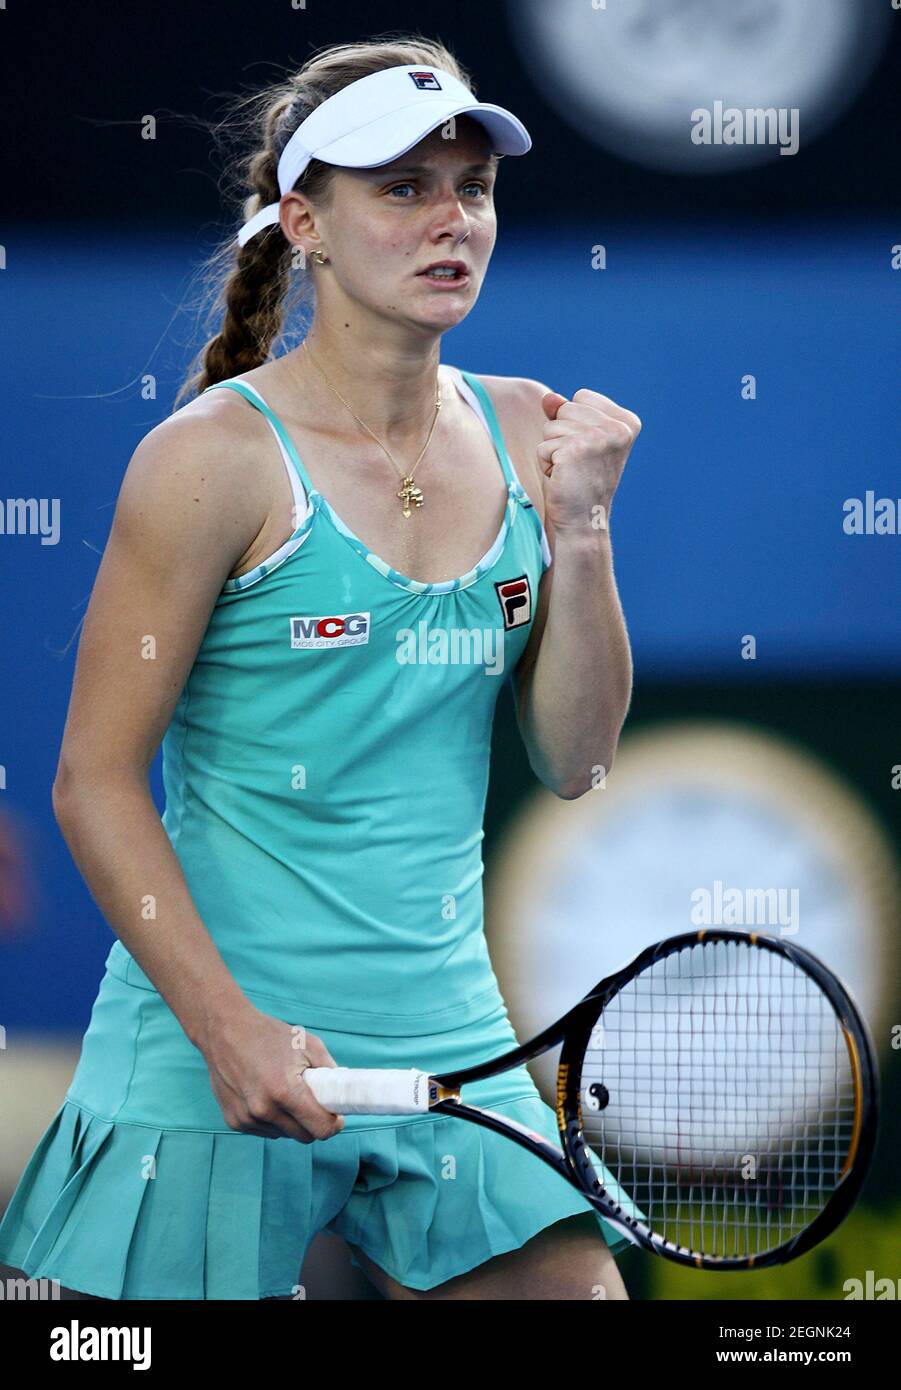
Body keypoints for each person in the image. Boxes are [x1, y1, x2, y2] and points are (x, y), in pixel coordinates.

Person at [0, 36, 640, 1300]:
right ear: (306, 223)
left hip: (450, 1044)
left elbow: (577, 761)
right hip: (210, 1046)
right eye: (402, 189)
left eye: (473, 186)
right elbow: (93, 781)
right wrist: (227, 1031)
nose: (452, 218)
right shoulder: (208, 462)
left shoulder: (533, 434)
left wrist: (581, 528)